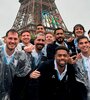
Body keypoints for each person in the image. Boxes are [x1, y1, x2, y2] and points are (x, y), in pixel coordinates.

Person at [0, 29, 31, 100]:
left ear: (18, 40)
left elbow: (22, 78)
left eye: (15, 39)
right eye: (10, 38)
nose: (13, 41)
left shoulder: (22, 56)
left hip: (13, 94)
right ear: (5, 39)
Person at [73, 36, 90, 100]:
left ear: (89, 44)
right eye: (81, 43)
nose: (84, 45)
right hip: (84, 95)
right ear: (78, 46)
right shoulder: (75, 60)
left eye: (86, 42)